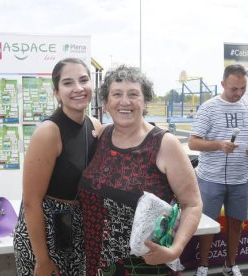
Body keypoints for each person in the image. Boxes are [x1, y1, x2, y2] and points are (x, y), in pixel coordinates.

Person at [78, 65, 203, 275]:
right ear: (106, 103)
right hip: (95, 263)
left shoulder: (164, 144)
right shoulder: (101, 137)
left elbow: (192, 203)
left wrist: (175, 249)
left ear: (145, 101)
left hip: (144, 266)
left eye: (133, 94)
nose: (125, 101)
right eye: (116, 94)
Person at [13, 58, 102, 276]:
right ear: (56, 92)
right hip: (45, 233)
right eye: (68, 83)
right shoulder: (49, 132)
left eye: (83, 80)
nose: (78, 88)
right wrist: (42, 260)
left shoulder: (95, 126)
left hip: (77, 228)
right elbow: (31, 202)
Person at [188, 64, 248, 276]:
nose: (238, 93)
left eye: (243, 88)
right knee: (207, 225)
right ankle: (203, 266)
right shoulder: (209, 108)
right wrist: (220, 145)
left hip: (240, 178)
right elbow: (193, 143)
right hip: (210, 178)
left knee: (236, 224)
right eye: (233, 89)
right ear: (223, 84)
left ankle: (230, 265)